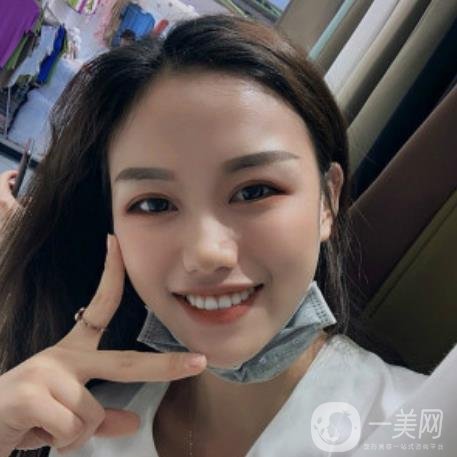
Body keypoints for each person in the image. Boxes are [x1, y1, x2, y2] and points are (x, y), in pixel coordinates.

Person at [0, 14, 428, 457]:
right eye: (154, 204)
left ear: (328, 201)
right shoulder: (68, 428)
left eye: (255, 191)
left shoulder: (421, 426)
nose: (206, 253)